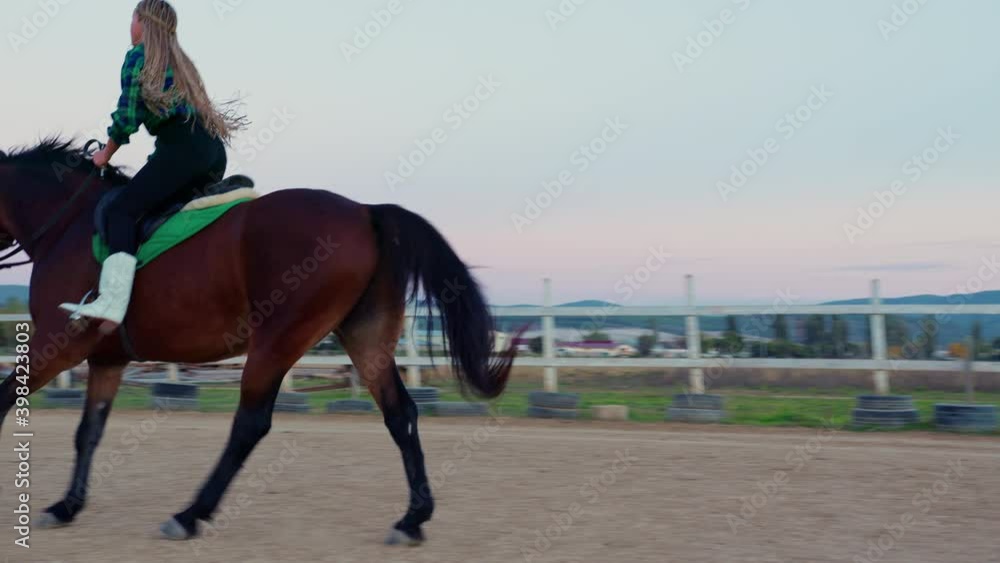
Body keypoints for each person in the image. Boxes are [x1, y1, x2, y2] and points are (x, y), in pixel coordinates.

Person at [61, 0, 242, 327]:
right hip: (211, 153)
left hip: (181, 151)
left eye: (132, 18)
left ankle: (113, 302)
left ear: (142, 22)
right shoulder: (182, 63)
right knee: (159, 214)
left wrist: (105, 154)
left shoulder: (137, 57)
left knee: (121, 210)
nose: (129, 26)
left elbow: (127, 117)